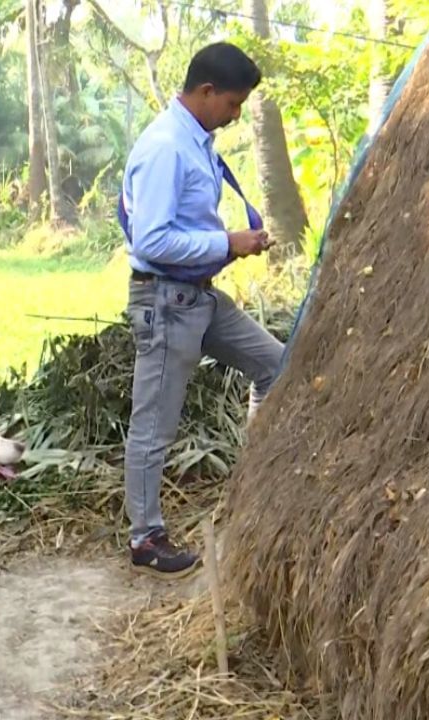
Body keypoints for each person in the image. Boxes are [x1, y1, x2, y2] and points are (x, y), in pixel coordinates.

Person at [117, 43, 283, 578]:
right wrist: (226, 243)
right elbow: (153, 239)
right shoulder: (167, 147)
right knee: (155, 425)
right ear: (207, 92)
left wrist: (228, 244)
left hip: (197, 297)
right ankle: (145, 539)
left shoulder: (196, 141)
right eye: (233, 104)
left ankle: (257, 479)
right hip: (165, 301)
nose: (236, 116)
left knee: (276, 364)